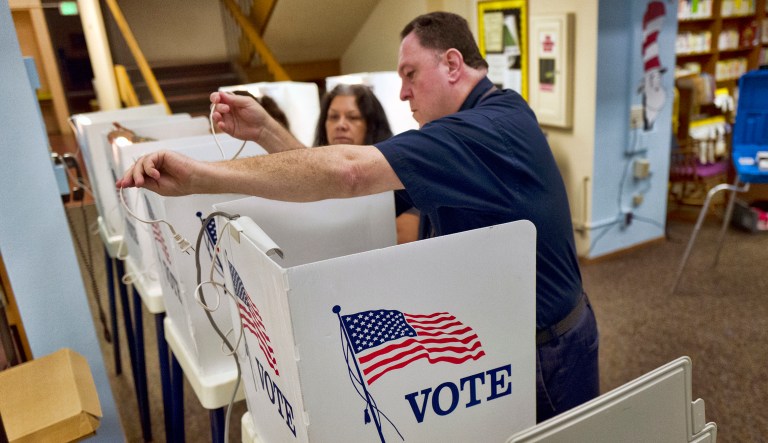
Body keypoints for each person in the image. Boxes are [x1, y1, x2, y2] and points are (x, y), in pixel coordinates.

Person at [118, 11, 598, 422]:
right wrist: (265, 129)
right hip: (514, 333)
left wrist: (201, 177)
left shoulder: (485, 128)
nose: (404, 93)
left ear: (452, 64)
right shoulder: (474, 128)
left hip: (546, 349)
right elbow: (347, 191)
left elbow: (348, 173)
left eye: (411, 74)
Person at [314, 83, 419, 243]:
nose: (341, 125)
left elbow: (405, 242)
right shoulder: (314, 175)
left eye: (353, 117)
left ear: (371, 125)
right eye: (334, 117)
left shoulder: (396, 175)